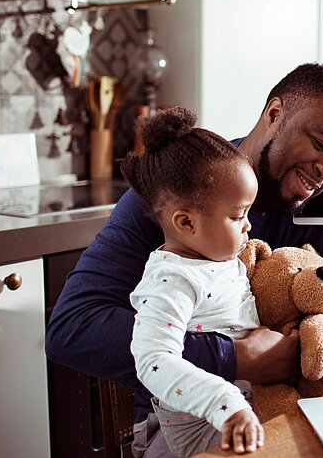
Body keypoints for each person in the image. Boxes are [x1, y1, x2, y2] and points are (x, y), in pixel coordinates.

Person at [45, 63, 323, 455]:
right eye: (320, 143)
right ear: (274, 114)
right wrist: (235, 358)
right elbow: (73, 329)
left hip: (282, 410)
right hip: (192, 427)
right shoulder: (182, 192)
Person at [122, 107, 263, 455]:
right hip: (201, 432)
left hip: (245, 412)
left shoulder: (218, 259)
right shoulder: (172, 279)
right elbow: (154, 359)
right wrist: (226, 404)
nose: (248, 226)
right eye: (238, 216)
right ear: (186, 224)